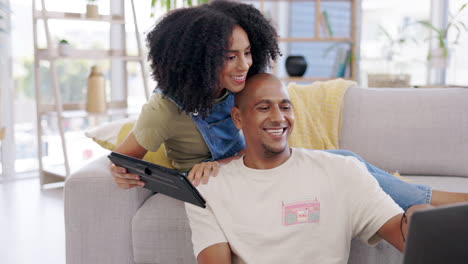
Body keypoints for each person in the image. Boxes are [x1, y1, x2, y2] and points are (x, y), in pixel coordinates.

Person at [110, 0, 468, 211]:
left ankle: (430, 205)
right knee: (344, 166)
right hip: (226, 188)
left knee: (346, 162)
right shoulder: (165, 109)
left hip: (258, 170)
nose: (244, 65)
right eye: (229, 56)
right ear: (197, 59)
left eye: (248, 53)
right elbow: (126, 162)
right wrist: (186, 176)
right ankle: (442, 203)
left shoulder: (240, 88)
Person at [184, 73, 430, 264]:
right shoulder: (208, 187)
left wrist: (419, 216)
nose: (279, 117)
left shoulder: (342, 171)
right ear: (237, 118)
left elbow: (403, 237)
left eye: (285, 106)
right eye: (264, 107)